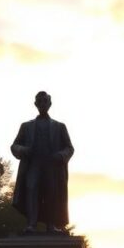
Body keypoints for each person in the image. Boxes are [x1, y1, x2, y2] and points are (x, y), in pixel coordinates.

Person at [11, 91, 75, 233]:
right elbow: (14, 145)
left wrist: (60, 155)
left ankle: (51, 225)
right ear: (35, 104)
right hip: (33, 165)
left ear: (50, 103)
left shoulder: (59, 126)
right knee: (31, 189)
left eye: (45, 101)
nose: (42, 104)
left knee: (51, 193)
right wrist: (24, 150)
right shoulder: (26, 126)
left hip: (52, 166)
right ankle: (31, 224)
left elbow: (69, 148)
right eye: (39, 101)